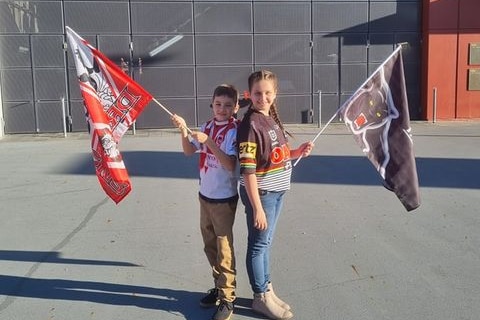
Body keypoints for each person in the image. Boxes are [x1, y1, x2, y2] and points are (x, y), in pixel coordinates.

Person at [237, 70, 314, 320]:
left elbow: (275, 155)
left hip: (278, 191)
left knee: (266, 243)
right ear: (249, 94)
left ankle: (267, 289)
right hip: (263, 193)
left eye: (268, 93)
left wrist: (297, 151)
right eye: (258, 93)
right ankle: (260, 297)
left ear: (275, 93)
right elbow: (248, 170)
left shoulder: (269, 119)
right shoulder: (250, 124)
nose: (263, 97)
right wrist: (257, 207)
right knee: (258, 245)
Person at [171, 84, 240, 320]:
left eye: (228, 105)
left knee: (224, 248)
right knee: (209, 245)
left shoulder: (234, 130)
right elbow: (189, 152)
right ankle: (219, 286)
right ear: (212, 103)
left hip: (223, 199)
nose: (222, 109)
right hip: (205, 196)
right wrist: (183, 130)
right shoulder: (206, 126)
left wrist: (209, 142)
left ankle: (228, 297)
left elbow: (230, 165)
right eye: (218, 104)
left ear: (235, 107)